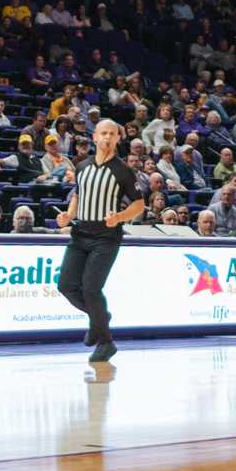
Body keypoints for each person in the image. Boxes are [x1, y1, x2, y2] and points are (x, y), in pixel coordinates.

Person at [56, 117, 142, 366]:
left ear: (117, 138)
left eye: (111, 134)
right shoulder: (82, 166)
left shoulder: (123, 170)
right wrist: (68, 215)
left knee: (91, 288)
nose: (106, 137)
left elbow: (138, 204)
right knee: (66, 286)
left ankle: (106, 342)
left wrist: (120, 218)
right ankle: (99, 318)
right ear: (94, 137)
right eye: (102, 133)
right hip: (80, 234)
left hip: (106, 237)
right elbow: (79, 195)